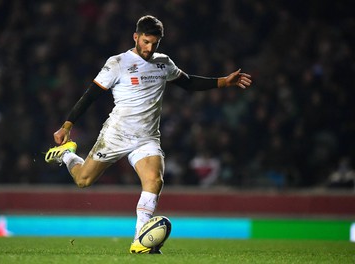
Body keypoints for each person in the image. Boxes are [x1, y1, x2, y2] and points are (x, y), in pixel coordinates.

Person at [45, 15, 252, 254]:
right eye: (145, 41)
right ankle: (67, 155)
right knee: (83, 180)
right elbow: (90, 95)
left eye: (155, 43)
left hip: (147, 138)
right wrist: (67, 126)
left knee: (154, 180)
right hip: (116, 135)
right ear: (135, 37)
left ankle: (139, 241)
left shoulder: (164, 62)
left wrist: (224, 81)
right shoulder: (118, 63)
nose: (149, 48)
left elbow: (188, 83)